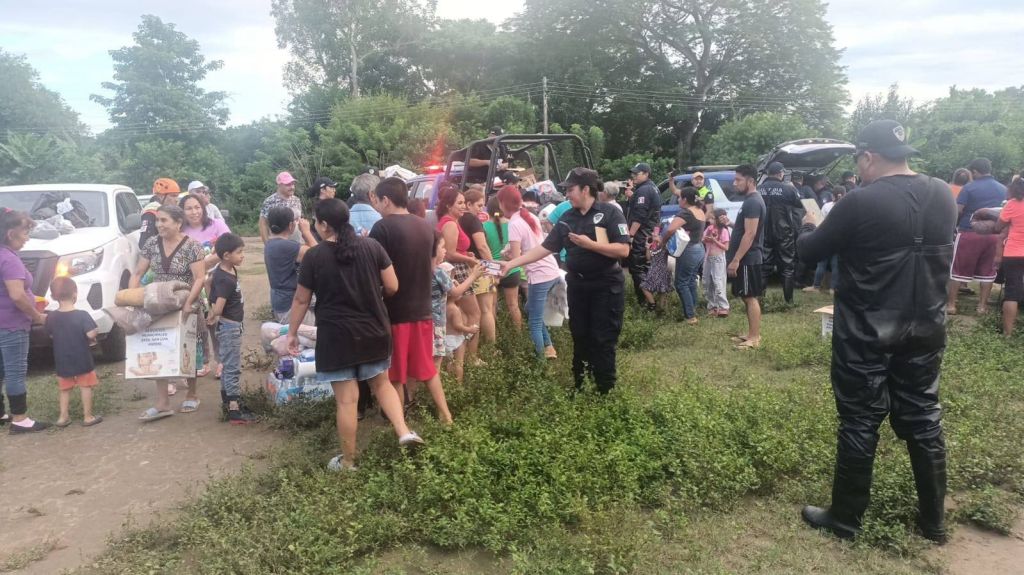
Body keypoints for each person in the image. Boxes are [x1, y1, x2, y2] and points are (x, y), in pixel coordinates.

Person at [797, 119, 956, 544]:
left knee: (859, 419)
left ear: (868, 157)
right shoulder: (942, 192)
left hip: (868, 329)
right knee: (924, 418)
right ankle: (934, 523)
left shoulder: (859, 202)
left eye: (858, 161)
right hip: (926, 325)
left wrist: (809, 226)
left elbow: (810, 251)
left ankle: (845, 518)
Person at [288, 199, 423, 471]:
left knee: (347, 400)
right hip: (374, 330)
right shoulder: (372, 246)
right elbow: (393, 285)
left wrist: (292, 333)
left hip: (337, 338)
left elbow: (301, 301)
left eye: (316, 222)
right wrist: (373, 296)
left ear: (324, 225)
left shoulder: (314, 257)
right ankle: (404, 431)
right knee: (382, 385)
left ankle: (349, 461)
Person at [502, 168, 629, 393]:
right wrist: (512, 263)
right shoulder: (567, 217)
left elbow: (623, 249)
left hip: (606, 286)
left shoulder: (610, 213)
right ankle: (579, 385)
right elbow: (545, 247)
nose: (567, 195)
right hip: (578, 286)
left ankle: (604, 391)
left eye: (570, 190)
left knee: (602, 337)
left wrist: (590, 245)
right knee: (579, 335)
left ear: (586, 189)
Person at [369, 178, 453, 422]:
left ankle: (401, 425)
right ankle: (446, 416)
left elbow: (377, 272)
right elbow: (431, 265)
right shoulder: (426, 226)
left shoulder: (382, 229)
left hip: (395, 312)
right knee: (427, 369)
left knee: (395, 375)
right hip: (423, 309)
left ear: (386, 200)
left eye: (378, 201)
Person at [130, 205, 206, 421]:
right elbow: (137, 273)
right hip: (158, 305)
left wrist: (188, 303)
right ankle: (163, 402)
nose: (159, 225)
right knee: (158, 349)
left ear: (178, 222)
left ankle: (192, 393)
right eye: (157, 221)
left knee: (190, 347)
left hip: (186, 304)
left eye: (164, 221)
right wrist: (134, 298)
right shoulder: (152, 244)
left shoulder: (193, 246)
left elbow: (199, 278)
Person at [0, 209, 51, 433]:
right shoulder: (9, 259)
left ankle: (2, 413)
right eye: (25, 232)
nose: (27, 237)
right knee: (15, 370)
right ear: (11, 233)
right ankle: (20, 419)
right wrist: (37, 315)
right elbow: (17, 295)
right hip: (12, 324)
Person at [502, 185, 562, 358]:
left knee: (534, 322)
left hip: (538, 275)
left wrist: (507, 257)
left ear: (503, 204)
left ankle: (540, 362)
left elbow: (516, 259)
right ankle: (549, 347)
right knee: (529, 308)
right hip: (551, 270)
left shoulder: (514, 223)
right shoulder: (530, 216)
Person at [946, 158, 1007, 315]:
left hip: (969, 233)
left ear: (974, 172)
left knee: (957, 268)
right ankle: (982, 307)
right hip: (994, 236)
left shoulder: (969, 187)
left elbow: (958, 210)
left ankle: (952, 305)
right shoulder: (1003, 189)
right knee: (988, 271)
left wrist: (954, 227)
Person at [206, 233, 255, 424]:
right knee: (232, 366)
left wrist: (208, 289)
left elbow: (207, 283)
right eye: (239, 252)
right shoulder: (225, 278)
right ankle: (234, 408)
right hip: (230, 327)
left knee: (227, 364)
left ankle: (227, 401)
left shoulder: (225, 270)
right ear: (226, 255)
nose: (242, 255)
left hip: (230, 325)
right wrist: (212, 312)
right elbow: (218, 307)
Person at [46, 276, 103, 428]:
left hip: (62, 360)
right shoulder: (82, 315)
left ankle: (63, 417)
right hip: (82, 358)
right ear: (75, 294)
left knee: (64, 389)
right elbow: (91, 334)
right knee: (85, 386)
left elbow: (51, 334)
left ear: (53, 297)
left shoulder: (51, 317)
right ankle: (88, 416)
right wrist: (95, 331)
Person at [435, 185, 483, 365]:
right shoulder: (449, 223)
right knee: (474, 314)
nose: (463, 206)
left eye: (464, 203)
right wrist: (469, 260)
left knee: (462, 314)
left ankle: (458, 356)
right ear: (449, 205)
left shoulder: (452, 222)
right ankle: (469, 357)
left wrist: (466, 254)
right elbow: (449, 253)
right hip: (459, 271)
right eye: (460, 203)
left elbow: (456, 250)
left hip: (459, 267)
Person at [430, 231, 483, 384]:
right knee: (436, 363)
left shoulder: (420, 268)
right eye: (442, 247)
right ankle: (438, 395)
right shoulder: (438, 272)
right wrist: (473, 276)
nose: (445, 250)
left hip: (423, 321)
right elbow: (456, 292)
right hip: (436, 323)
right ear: (433, 250)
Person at [727, 165, 766, 350]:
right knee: (746, 295)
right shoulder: (750, 200)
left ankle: (755, 338)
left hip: (748, 258)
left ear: (750, 181)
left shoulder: (753, 201)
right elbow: (746, 228)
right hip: (746, 258)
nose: (735, 183)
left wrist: (736, 259)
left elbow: (750, 234)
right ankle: (751, 334)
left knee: (750, 297)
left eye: (738, 180)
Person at [654, 189, 705, 323]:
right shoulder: (700, 210)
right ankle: (693, 308)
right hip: (699, 248)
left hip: (688, 250)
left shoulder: (686, 213)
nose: (678, 200)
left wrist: (663, 241)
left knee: (681, 283)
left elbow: (671, 229)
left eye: (679, 198)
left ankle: (690, 316)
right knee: (691, 280)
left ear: (685, 200)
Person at [981, 177, 1024, 336]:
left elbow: (999, 226)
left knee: (1012, 293)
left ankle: (1007, 333)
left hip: (1014, 253)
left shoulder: (1012, 204)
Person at [264, 206, 318, 323]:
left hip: (281, 302)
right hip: (291, 306)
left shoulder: (270, 243)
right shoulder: (288, 247)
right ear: (290, 225)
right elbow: (320, 253)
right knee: (313, 336)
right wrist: (306, 232)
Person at [759, 161, 802, 303]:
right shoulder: (788, 189)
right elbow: (800, 204)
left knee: (764, 266)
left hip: (763, 232)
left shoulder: (759, 189)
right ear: (780, 173)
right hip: (784, 232)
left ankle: (760, 300)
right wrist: (794, 188)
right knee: (787, 267)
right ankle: (788, 301)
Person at [460, 188, 497, 347]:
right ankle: (490, 347)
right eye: (479, 205)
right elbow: (482, 246)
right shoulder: (473, 220)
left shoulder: (458, 219)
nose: (481, 209)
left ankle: (467, 347)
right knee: (486, 309)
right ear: (469, 204)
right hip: (480, 267)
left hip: (465, 269)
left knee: (467, 312)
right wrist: (494, 269)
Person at [483, 194, 523, 328]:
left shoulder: (484, 227)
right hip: (512, 269)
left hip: (492, 270)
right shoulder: (513, 224)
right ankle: (518, 335)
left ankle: (494, 336)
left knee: (491, 307)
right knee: (513, 305)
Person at [625, 162, 662, 305]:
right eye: (633, 173)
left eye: (637, 173)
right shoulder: (652, 187)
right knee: (647, 266)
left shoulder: (644, 190)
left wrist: (631, 235)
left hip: (642, 233)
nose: (634, 176)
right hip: (650, 232)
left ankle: (644, 302)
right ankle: (651, 298)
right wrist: (632, 197)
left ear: (646, 174)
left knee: (637, 268)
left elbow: (640, 216)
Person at [803, 186, 847, 294]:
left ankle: (816, 286)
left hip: (826, 237)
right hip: (839, 239)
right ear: (844, 194)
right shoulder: (846, 206)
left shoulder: (827, 206)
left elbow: (820, 221)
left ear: (832, 195)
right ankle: (833, 288)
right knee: (835, 264)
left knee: (821, 263)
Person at [259, 171, 303, 243]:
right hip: (279, 244)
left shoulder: (296, 200)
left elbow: (299, 221)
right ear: (279, 185)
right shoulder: (270, 201)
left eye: (293, 184)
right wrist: (267, 244)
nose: (292, 187)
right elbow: (263, 224)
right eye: (288, 184)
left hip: (297, 244)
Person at [702, 209, 731, 317]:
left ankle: (723, 306)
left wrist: (715, 241)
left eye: (712, 218)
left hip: (718, 259)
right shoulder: (709, 228)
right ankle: (712, 306)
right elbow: (703, 239)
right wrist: (706, 238)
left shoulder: (724, 231)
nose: (710, 220)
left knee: (718, 282)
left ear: (718, 220)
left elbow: (726, 247)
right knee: (707, 282)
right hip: (708, 258)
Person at [139, 178, 181, 249]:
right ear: (161, 196)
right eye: (173, 196)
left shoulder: (167, 211)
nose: (177, 200)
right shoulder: (151, 212)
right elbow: (144, 243)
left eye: (177, 196)